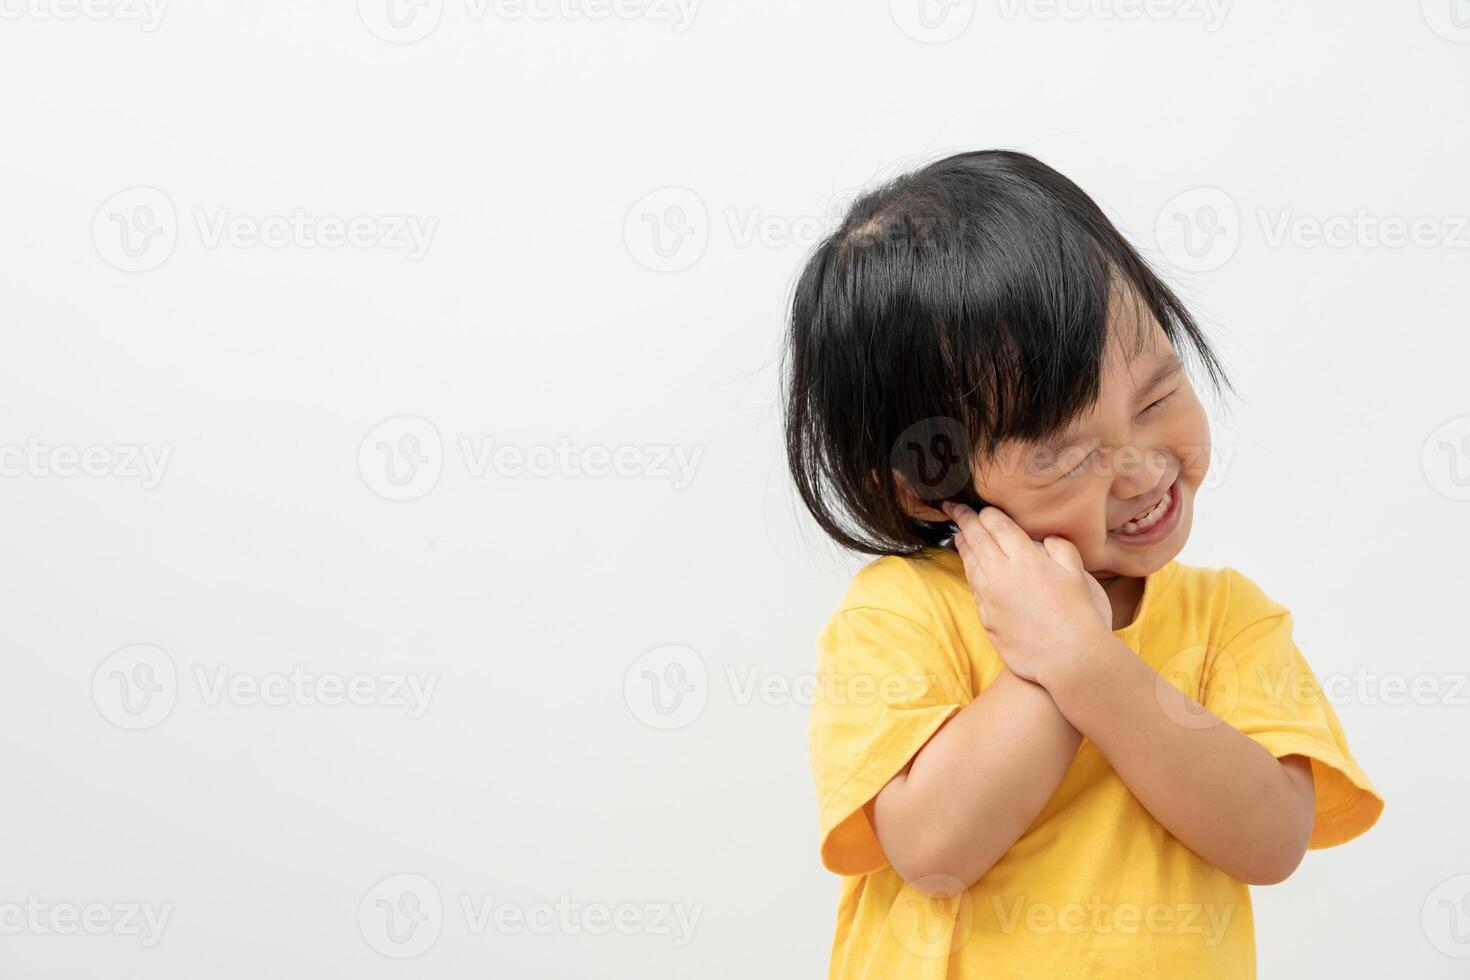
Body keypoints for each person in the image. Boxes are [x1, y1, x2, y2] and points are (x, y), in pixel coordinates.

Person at [782, 149, 1384, 979]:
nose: (1141, 468)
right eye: (1065, 458)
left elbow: (1272, 839)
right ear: (930, 489)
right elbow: (932, 848)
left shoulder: (1227, 622)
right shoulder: (898, 613)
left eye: (1157, 397)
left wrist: (1085, 660)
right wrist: (1053, 654)